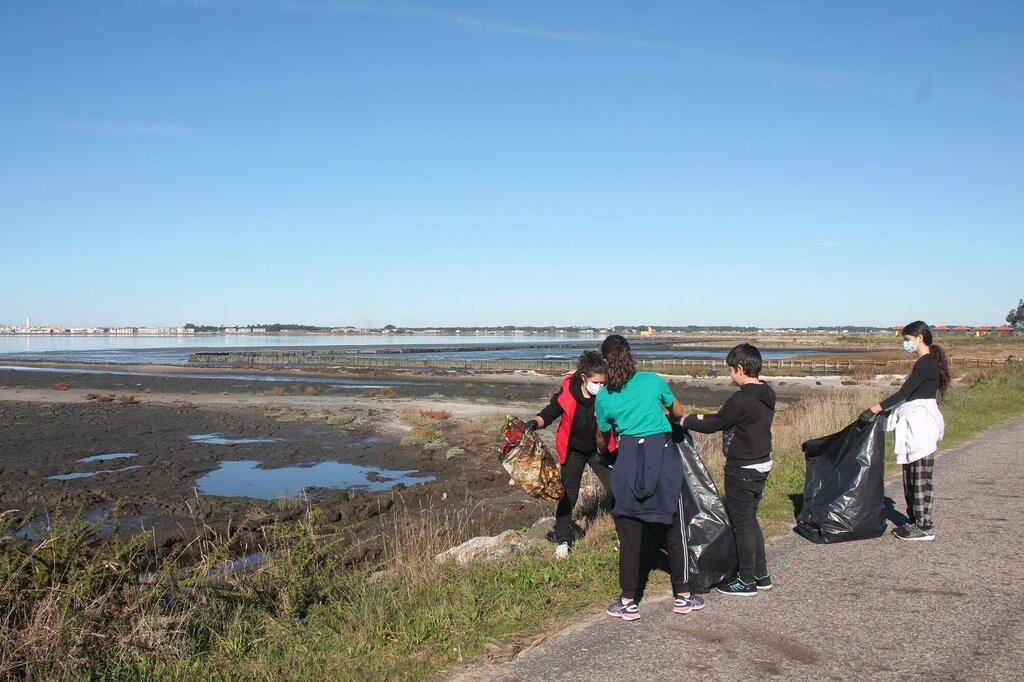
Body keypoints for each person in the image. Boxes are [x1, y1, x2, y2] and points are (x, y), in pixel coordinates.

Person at [595, 335, 704, 621]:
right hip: (661, 454)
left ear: (605, 361)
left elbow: (603, 435)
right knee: (673, 526)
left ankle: (628, 600)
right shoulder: (653, 381)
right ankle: (683, 595)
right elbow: (678, 412)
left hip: (628, 458)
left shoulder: (605, 396)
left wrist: (604, 447)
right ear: (630, 355)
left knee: (629, 534)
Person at [682, 343, 776, 597]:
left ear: (740, 368)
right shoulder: (767, 392)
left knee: (741, 523)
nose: (729, 375)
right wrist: (702, 416)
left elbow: (716, 424)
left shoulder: (741, 399)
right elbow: (728, 418)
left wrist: (684, 420)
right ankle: (760, 573)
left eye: (730, 370)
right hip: (762, 462)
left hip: (742, 466)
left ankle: (746, 580)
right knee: (750, 519)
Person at [862, 320, 950, 541]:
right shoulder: (925, 361)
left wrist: (875, 408)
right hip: (915, 422)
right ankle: (913, 520)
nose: (906, 344)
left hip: (921, 424)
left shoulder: (926, 362)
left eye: (908, 340)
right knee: (910, 474)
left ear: (920, 338)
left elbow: (905, 392)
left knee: (920, 475)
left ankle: (923, 525)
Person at [524, 351, 615, 559]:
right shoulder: (567, 392)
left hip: (600, 450)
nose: (600, 386)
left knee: (615, 488)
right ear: (584, 377)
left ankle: (623, 535)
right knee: (568, 496)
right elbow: (549, 412)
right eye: (596, 382)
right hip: (573, 451)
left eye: (603, 382)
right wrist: (533, 423)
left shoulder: (608, 393)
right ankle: (563, 540)